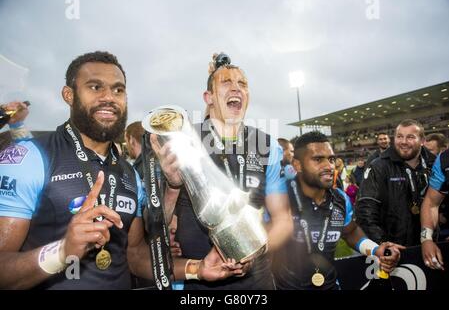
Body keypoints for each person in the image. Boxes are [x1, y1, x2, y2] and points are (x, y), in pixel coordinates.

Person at [0, 51, 244, 289]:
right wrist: (61, 252)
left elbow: (135, 256)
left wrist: (196, 268)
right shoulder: (30, 158)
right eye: (95, 87)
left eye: (118, 89)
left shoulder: (129, 174)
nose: (109, 97)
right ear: (69, 95)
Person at [150, 53, 293, 289]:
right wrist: (172, 187)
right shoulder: (184, 141)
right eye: (226, 82)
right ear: (209, 97)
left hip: (257, 283)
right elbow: (155, 228)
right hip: (200, 283)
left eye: (243, 84)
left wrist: (254, 251)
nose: (236, 88)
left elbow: (283, 220)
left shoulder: (268, 146)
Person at [272, 132, 403, 290]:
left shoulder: (340, 198)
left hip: (330, 286)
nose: (329, 166)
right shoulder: (279, 199)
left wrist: (375, 250)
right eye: (318, 159)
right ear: (298, 165)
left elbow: (350, 232)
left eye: (331, 159)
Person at [356, 119, 435, 246]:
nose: (403, 142)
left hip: (431, 244)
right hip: (393, 247)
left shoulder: (434, 165)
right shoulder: (379, 166)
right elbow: (365, 211)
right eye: (399, 136)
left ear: (422, 141)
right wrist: (383, 244)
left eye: (410, 137)